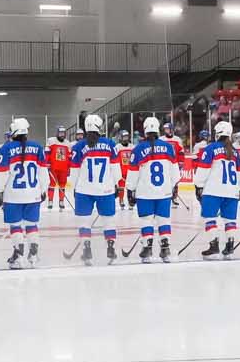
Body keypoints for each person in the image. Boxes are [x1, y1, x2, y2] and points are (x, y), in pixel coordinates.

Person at [0, 118, 48, 268]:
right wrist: (43, 189)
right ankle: (34, 254)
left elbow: (1, 173)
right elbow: (43, 172)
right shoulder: (37, 147)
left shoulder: (5, 149)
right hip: (33, 194)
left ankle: (18, 255)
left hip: (13, 195)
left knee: (15, 225)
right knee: (32, 225)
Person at [69, 113, 122, 265]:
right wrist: (117, 185)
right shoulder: (110, 144)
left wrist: (74, 187)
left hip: (84, 190)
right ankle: (111, 247)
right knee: (109, 221)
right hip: (106, 190)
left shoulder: (78, 146)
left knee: (84, 222)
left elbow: (74, 172)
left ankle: (86, 248)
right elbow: (116, 170)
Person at [129, 116, 180, 262]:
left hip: (144, 193)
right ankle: (165, 248)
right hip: (164, 192)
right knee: (164, 220)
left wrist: (130, 190)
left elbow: (133, 174)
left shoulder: (138, 149)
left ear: (145, 130)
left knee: (146, 220)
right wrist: (173, 186)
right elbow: (175, 173)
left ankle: (147, 248)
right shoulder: (168, 147)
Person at [193, 120, 240, 258]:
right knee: (229, 220)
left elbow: (203, 170)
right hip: (232, 191)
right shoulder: (234, 151)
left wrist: (198, 185)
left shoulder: (211, 148)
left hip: (213, 191)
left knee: (209, 218)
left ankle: (214, 246)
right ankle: (230, 246)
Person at [46, 124, 72, 209]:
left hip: (63, 168)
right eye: (60, 133)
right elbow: (47, 153)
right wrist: (47, 163)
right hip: (53, 167)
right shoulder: (51, 140)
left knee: (62, 185)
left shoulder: (68, 143)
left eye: (63, 133)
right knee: (52, 184)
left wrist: (69, 167)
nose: (62, 135)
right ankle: (50, 201)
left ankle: (61, 201)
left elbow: (69, 156)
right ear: (57, 133)